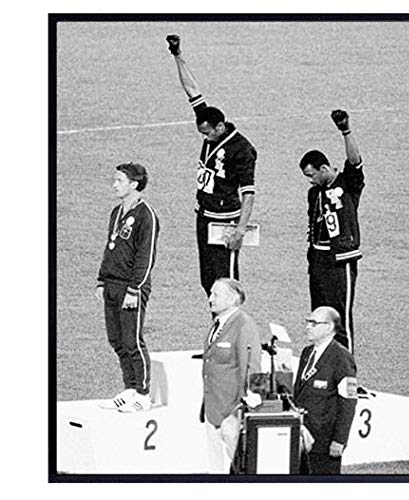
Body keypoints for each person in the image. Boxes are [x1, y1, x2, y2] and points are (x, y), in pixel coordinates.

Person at [166, 34, 257, 296]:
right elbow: (191, 89)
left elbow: (248, 193)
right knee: (208, 281)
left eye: (207, 134)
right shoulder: (209, 123)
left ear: (220, 126)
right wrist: (177, 54)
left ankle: (232, 322)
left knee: (226, 282)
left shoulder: (243, 150)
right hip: (204, 216)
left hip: (225, 221)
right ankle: (217, 320)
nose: (205, 138)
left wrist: (240, 229)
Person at [95, 162, 159, 412]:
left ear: (134, 184)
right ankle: (130, 387)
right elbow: (110, 247)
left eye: (119, 180)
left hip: (131, 288)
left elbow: (146, 256)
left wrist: (135, 289)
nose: (114, 185)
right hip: (112, 283)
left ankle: (143, 394)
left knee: (132, 341)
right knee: (117, 340)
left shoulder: (146, 215)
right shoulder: (116, 212)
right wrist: (102, 279)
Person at [299, 110, 364, 353]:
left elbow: (355, 162)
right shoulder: (313, 193)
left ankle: (347, 368)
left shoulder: (347, 183)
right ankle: (324, 364)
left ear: (324, 167)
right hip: (318, 260)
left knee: (340, 317)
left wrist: (345, 130)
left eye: (311, 175)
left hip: (340, 259)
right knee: (320, 316)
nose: (310, 180)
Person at [201, 278, 261, 473]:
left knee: (241, 463)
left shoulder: (244, 324)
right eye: (211, 294)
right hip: (212, 407)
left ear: (232, 298)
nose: (210, 299)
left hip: (233, 410)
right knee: (215, 464)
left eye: (216, 295)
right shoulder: (217, 324)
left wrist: (249, 401)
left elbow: (252, 365)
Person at [293, 306, 357, 475]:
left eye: (313, 323)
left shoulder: (341, 357)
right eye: (308, 322)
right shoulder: (307, 353)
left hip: (324, 441)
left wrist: (339, 440)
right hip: (302, 435)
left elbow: (348, 402)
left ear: (329, 327)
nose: (307, 327)